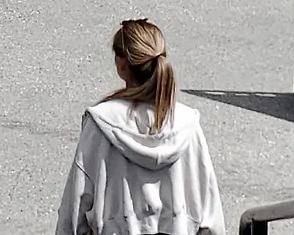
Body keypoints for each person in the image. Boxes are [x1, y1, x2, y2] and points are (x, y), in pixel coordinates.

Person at [55, 19, 224, 235]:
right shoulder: (187, 125)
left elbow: (75, 207)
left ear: (122, 64)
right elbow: (210, 214)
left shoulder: (101, 124)